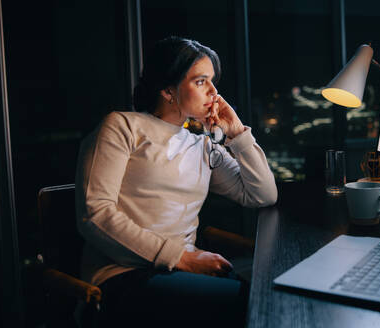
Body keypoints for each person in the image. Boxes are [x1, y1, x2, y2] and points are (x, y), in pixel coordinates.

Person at [74, 36, 277, 327]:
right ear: (168, 90)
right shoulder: (122, 127)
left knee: (264, 297)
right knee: (251, 304)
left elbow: (262, 195)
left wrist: (237, 134)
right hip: (123, 276)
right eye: (201, 81)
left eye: (212, 81)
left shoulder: (202, 147)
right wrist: (182, 258)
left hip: (187, 269)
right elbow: (95, 215)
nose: (214, 92)